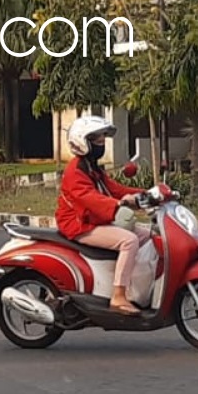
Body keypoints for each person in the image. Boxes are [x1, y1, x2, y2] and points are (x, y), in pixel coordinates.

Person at [55, 115, 149, 315]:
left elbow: (114, 188)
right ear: (83, 142)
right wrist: (120, 203)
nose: (102, 143)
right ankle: (118, 295)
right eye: (97, 140)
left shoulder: (92, 168)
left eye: (102, 139)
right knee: (129, 241)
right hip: (80, 224)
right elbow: (90, 199)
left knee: (147, 236)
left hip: (93, 220)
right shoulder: (75, 172)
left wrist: (147, 194)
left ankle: (135, 286)